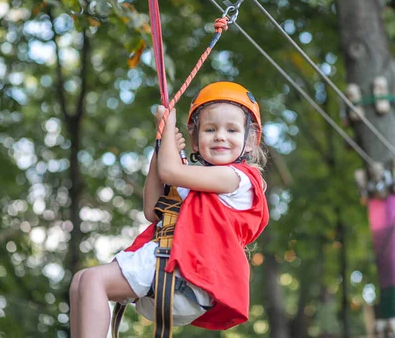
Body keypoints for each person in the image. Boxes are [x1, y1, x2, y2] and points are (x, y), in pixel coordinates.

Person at [69, 81, 269, 337]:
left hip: (187, 276)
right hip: (171, 272)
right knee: (81, 282)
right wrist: (161, 147)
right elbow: (153, 209)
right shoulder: (195, 182)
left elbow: (171, 172)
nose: (220, 136)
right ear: (195, 140)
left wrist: (167, 134)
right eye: (210, 129)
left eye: (232, 130)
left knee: (94, 281)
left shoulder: (238, 180)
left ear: (250, 141)